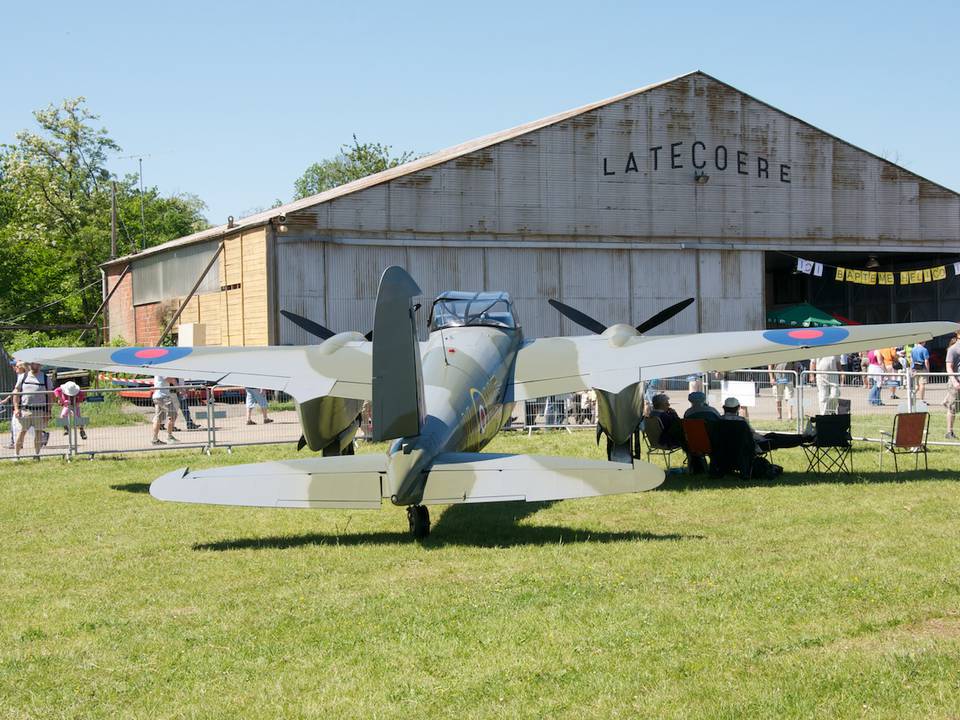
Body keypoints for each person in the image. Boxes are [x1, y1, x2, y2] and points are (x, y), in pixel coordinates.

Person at [720, 397, 810, 453]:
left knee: (773, 436)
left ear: (724, 408)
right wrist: (763, 438)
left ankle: (803, 438)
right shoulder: (741, 421)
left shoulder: (719, 420)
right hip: (751, 446)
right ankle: (804, 438)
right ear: (738, 408)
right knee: (778, 439)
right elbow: (752, 434)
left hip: (729, 447)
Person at [12, 362, 52, 460]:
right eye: (33, 364)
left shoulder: (46, 378)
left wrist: (48, 411)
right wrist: (16, 408)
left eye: (37, 364)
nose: (35, 366)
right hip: (25, 410)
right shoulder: (23, 377)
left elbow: (50, 396)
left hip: (40, 411)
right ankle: (16, 455)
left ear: (40, 365)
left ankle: (37, 455)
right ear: (29, 365)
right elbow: (16, 393)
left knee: (38, 433)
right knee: (21, 432)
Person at [151, 376, 179, 445]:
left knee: (158, 418)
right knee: (173, 415)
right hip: (163, 397)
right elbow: (170, 379)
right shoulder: (161, 371)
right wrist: (179, 388)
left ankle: (155, 439)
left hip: (158, 396)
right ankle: (169, 437)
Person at [943, 335, 960, 439]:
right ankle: (949, 432)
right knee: (952, 408)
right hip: (956, 383)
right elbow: (949, 367)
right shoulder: (953, 349)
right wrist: (955, 382)